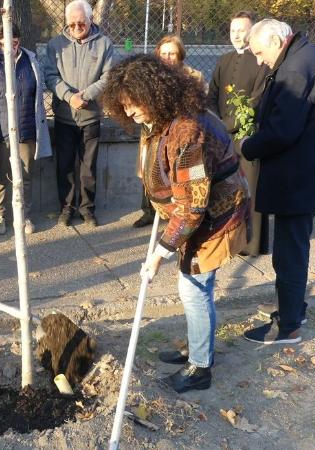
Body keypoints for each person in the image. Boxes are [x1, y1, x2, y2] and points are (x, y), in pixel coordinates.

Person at [103, 54, 251, 391]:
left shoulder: (188, 134)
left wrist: (158, 255)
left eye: (133, 104)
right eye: (123, 105)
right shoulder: (163, 118)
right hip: (193, 213)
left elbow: (193, 206)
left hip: (214, 216)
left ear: (154, 94)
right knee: (194, 287)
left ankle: (200, 367)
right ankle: (197, 347)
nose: (128, 112)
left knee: (194, 287)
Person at [239, 19, 315, 344]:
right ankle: (290, 304)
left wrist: (247, 146)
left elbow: (282, 131)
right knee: (294, 246)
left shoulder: (295, 68)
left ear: (276, 41)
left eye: (260, 53)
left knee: (289, 251)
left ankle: (287, 325)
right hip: (310, 172)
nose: (259, 61)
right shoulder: (306, 55)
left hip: (300, 178)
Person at [44, 0, 116, 227]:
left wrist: (87, 95)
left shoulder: (104, 44)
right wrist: (69, 96)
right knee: (64, 165)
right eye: (72, 24)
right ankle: (66, 209)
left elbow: (108, 76)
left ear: (90, 20)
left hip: (91, 117)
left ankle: (87, 208)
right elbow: (50, 76)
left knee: (88, 167)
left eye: (81, 23)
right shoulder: (55, 45)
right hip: (65, 117)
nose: (76, 27)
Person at [206, 11, 270, 256]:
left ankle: (251, 244)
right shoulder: (224, 60)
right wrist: (216, 123)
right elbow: (212, 95)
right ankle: (228, 239)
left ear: (252, 31)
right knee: (226, 191)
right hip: (222, 135)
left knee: (250, 189)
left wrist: (229, 125)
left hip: (248, 136)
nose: (236, 35)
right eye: (233, 30)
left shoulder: (260, 61)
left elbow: (257, 100)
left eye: (241, 30)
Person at [0, 23, 52, 236]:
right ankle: (1, 215)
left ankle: (24, 215)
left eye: (14, 43)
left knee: (25, 175)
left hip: (26, 128)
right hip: (1, 129)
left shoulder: (30, 60)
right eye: (5, 44)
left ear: (19, 41)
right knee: (1, 175)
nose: (10, 48)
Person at [132, 34, 206, 229]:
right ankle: (148, 211)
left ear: (180, 55)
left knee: (179, 173)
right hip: (153, 131)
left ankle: (182, 213)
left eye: (172, 53)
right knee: (149, 171)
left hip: (180, 134)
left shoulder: (193, 77)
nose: (167, 57)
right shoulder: (151, 77)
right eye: (164, 53)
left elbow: (200, 106)